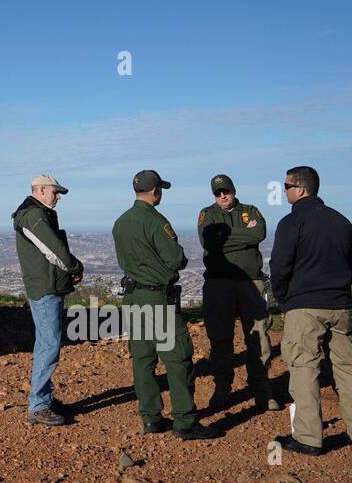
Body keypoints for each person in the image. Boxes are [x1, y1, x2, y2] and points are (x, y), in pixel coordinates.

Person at [269, 165, 352, 455]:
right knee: (348, 369)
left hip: (304, 307)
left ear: (301, 189)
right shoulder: (342, 221)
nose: (284, 190)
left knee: (304, 367)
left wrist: (284, 298)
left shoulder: (292, 223)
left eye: (287, 186)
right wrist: (337, 287)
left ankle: (308, 437)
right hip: (340, 307)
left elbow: (279, 267)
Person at [113, 170, 220, 440]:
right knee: (177, 357)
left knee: (143, 358)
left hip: (134, 298)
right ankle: (184, 420)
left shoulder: (120, 222)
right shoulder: (156, 221)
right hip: (158, 298)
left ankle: (150, 417)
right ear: (155, 191)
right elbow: (175, 259)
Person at [198, 174, 277, 411]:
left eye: (226, 191)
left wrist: (225, 237)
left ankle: (262, 389)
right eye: (217, 193)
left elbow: (259, 233)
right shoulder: (207, 214)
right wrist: (243, 235)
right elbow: (209, 242)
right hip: (219, 283)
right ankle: (222, 387)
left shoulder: (251, 210)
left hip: (251, 282)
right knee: (220, 337)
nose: (222, 196)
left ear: (233, 190)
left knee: (259, 336)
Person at [12, 174, 84, 426]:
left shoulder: (35, 213)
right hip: (45, 288)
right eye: (55, 192)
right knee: (49, 344)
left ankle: (43, 398)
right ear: (41, 190)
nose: (58, 197)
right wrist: (74, 267)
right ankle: (39, 405)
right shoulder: (34, 216)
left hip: (47, 285)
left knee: (47, 342)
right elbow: (54, 250)